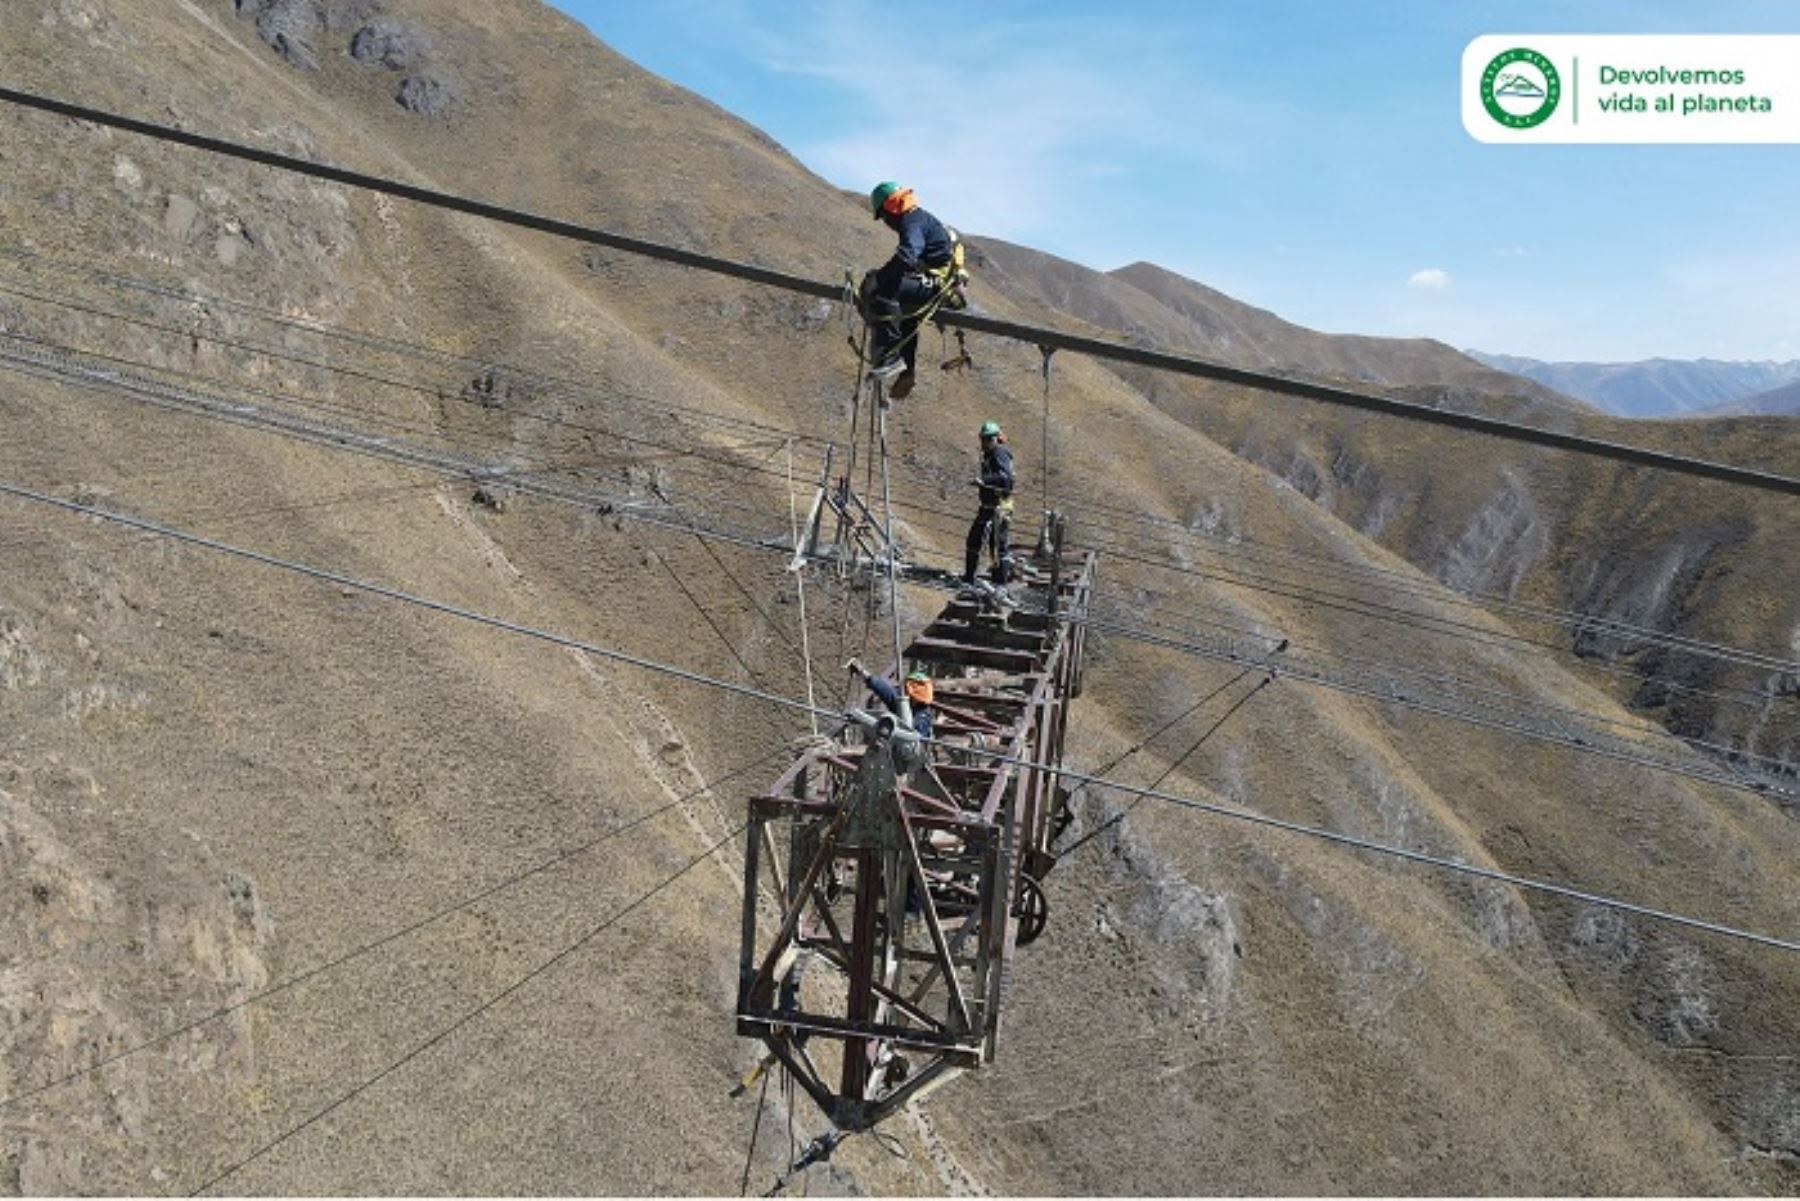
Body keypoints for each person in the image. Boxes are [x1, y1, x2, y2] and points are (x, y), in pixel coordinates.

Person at [863, 181, 958, 401]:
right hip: (934, 282)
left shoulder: (911, 221)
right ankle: (906, 370)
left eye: (884, 217)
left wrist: (881, 277)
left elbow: (908, 254)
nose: (886, 223)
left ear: (890, 208)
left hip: (934, 285)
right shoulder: (919, 217)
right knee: (905, 313)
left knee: (884, 291)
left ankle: (889, 359)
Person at [964, 420, 1014, 586]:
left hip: (999, 507)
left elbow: (1005, 478)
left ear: (995, 439)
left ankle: (999, 584)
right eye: (982, 439)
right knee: (975, 540)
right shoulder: (990, 455)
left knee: (997, 546)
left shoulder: (1000, 454)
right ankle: (970, 577)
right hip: (988, 506)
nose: (984, 443)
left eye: (987, 439)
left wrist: (983, 480)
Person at [844, 658, 934, 740]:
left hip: (907, 754)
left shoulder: (923, 717)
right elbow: (883, 688)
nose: (902, 693)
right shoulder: (900, 703)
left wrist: (862, 718)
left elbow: (913, 739)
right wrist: (862, 672)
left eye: (905, 690)